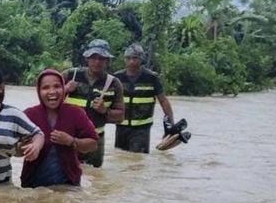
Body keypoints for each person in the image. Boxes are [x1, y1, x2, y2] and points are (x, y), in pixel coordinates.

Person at [21, 69, 99, 187]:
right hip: (33, 185)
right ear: (38, 91)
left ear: (64, 89)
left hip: (68, 184)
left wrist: (71, 141)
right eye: (45, 87)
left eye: (57, 86)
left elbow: (93, 144)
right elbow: (14, 146)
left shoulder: (75, 112)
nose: (52, 91)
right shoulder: (29, 114)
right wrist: (29, 148)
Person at [62, 39, 124, 168]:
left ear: (107, 61)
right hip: (68, 138)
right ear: (87, 58)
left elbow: (120, 116)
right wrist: (65, 90)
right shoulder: (69, 75)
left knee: (95, 179)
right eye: (93, 57)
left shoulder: (114, 83)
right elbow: (46, 101)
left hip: (96, 141)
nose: (97, 62)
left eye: (102, 58)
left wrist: (105, 110)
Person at [113, 43, 175, 153]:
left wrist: (171, 124)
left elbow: (163, 101)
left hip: (141, 129)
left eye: (135, 58)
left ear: (141, 59)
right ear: (124, 60)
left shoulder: (151, 77)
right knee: (120, 158)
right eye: (128, 58)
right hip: (121, 127)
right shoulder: (117, 77)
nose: (131, 61)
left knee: (138, 160)